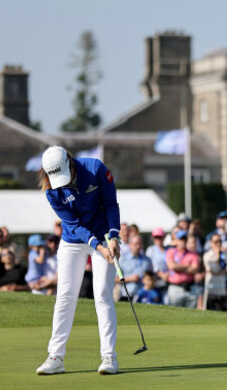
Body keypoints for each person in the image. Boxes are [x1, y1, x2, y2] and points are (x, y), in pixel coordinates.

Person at [35, 145, 122, 375]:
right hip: (74, 240)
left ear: (70, 163)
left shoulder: (95, 169)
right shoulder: (51, 190)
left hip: (104, 235)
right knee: (65, 296)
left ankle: (109, 358)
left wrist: (113, 237)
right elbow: (73, 225)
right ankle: (56, 357)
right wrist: (97, 245)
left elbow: (111, 204)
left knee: (102, 294)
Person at [203, 233, 227, 312]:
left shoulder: (226, 253)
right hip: (215, 288)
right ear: (211, 243)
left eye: (220, 241)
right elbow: (214, 269)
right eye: (216, 242)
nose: (218, 244)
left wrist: (222, 272)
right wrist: (217, 256)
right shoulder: (207, 255)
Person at [166, 230, 200, 308]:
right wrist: (187, 266)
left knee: (191, 316)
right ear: (176, 240)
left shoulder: (193, 254)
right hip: (175, 288)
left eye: (184, 239)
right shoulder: (171, 251)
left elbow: (195, 269)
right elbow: (172, 266)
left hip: (190, 288)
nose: (183, 242)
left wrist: (178, 267)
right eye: (181, 239)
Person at [117, 235, 153, 300]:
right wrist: (129, 279)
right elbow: (115, 279)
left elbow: (152, 277)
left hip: (143, 296)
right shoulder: (122, 260)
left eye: (140, 244)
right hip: (127, 296)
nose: (138, 246)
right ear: (129, 244)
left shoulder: (147, 260)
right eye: (136, 244)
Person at [145, 227, 169, 301]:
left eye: (160, 237)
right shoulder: (150, 250)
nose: (158, 239)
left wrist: (168, 274)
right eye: (156, 237)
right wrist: (160, 274)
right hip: (154, 280)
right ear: (153, 238)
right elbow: (150, 265)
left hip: (167, 279)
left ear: (164, 237)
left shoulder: (168, 249)